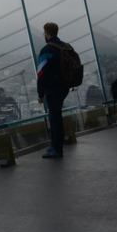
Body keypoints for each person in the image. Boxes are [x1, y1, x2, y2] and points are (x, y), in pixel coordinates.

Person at [36, 22, 71, 159]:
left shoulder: (46, 50)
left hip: (52, 89)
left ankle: (57, 148)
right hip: (64, 87)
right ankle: (55, 145)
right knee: (55, 116)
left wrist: (40, 94)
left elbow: (41, 74)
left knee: (55, 118)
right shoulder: (67, 47)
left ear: (46, 33)